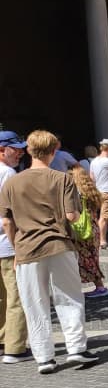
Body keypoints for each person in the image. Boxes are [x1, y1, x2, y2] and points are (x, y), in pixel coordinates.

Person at [0, 130, 99, 373]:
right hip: (59, 244)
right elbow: (71, 215)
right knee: (69, 297)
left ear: (30, 150)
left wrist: (16, 248)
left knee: (34, 303)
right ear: (54, 151)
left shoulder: (12, 181)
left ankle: (44, 357)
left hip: (26, 249)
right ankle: (76, 348)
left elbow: (6, 222)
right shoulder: (62, 178)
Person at [0, 131, 29, 364]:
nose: (20, 152)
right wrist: (17, 244)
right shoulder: (8, 173)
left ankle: (2, 340)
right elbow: (9, 217)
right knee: (16, 297)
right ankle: (15, 347)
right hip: (6, 245)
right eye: (16, 148)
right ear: (2, 150)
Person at [68, 165, 108, 298]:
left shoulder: (77, 195)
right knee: (93, 257)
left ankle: (100, 286)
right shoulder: (92, 192)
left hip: (82, 230)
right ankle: (99, 286)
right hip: (93, 228)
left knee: (85, 259)